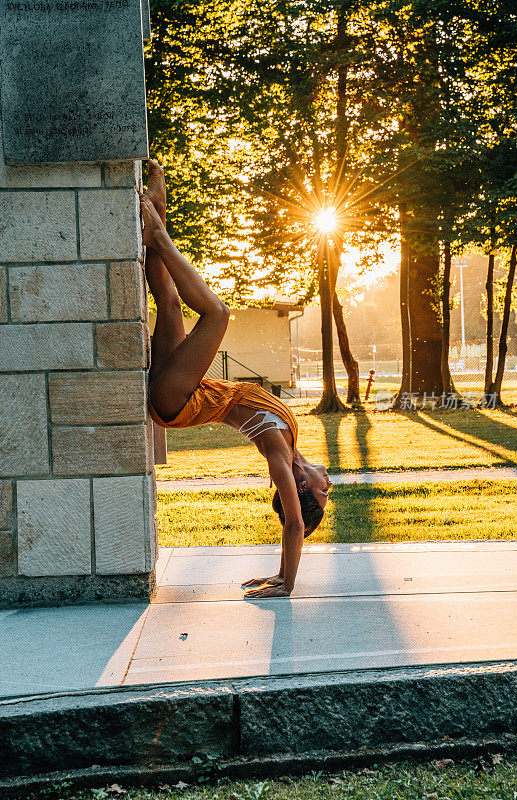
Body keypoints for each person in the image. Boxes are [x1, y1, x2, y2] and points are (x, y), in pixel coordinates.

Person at [140, 160, 332, 598]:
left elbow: (295, 524)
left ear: (303, 486)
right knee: (168, 305)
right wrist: (280, 574)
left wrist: (287, 584)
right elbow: (297, 521)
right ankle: (155, 209)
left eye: (324, 494)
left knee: (218, 314)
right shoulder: (289, 444)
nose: (329, 485)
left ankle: (159, 236)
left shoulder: (281, 456)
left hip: (182, 401)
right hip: (188, 394)